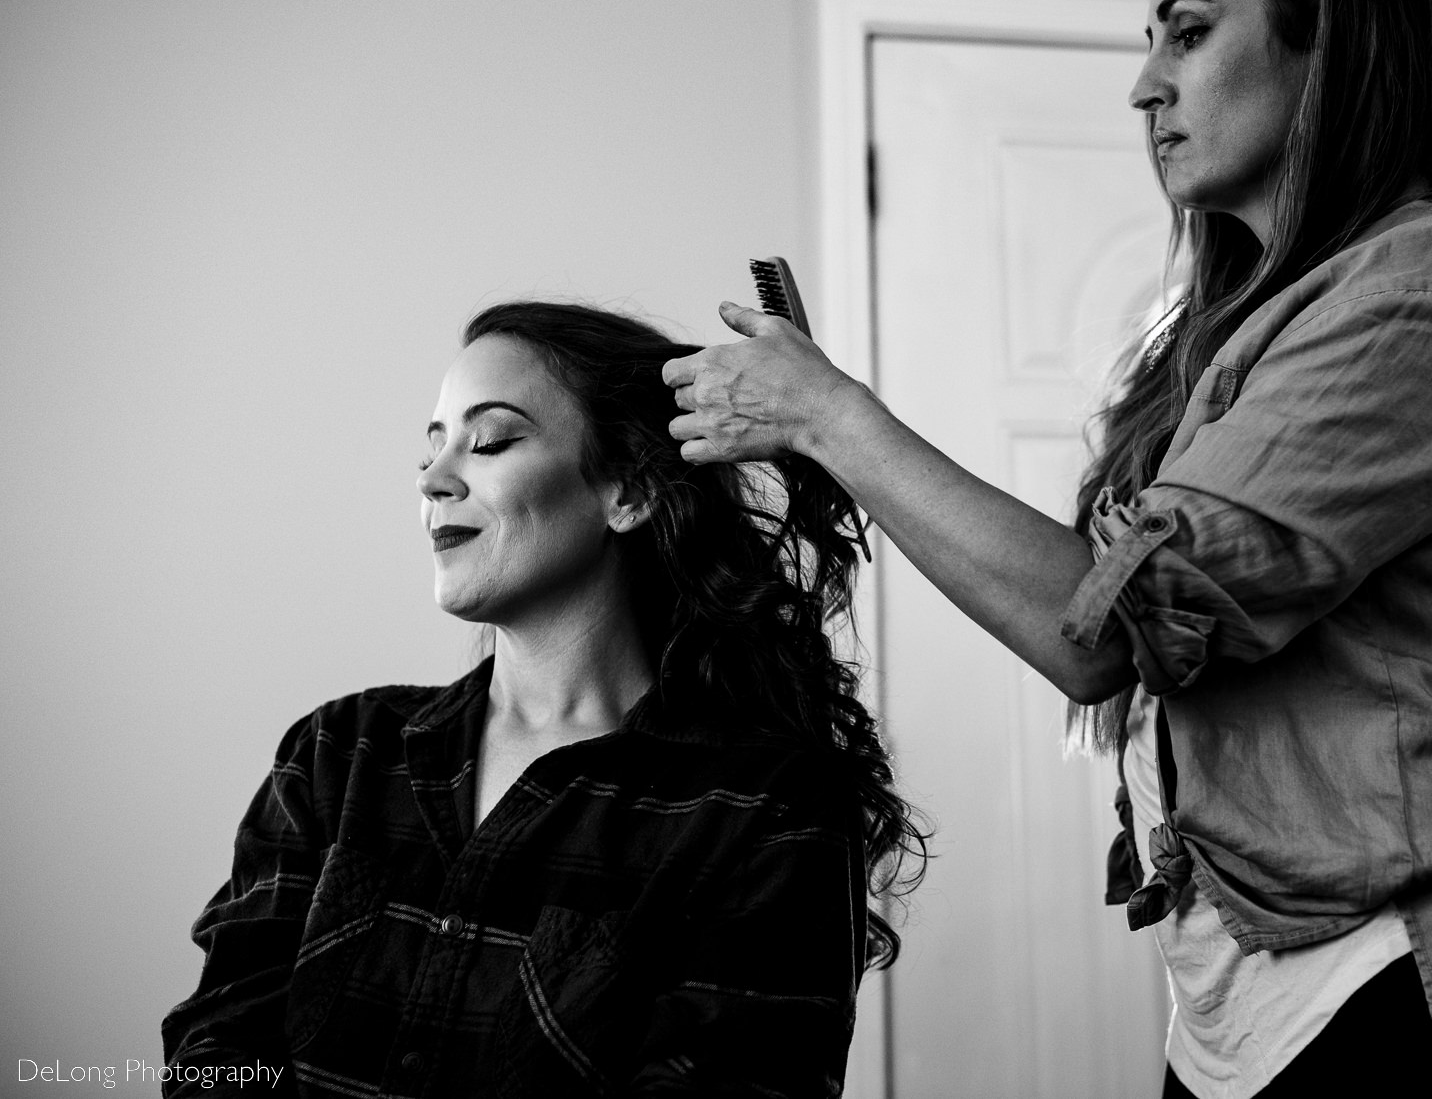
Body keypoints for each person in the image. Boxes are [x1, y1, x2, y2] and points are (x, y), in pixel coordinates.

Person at [662, 0, 1432, 1095]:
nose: (1144, 87)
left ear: (1331, 44)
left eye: (1186, 33)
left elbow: (1109, 630)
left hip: (1405, 991)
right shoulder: (1264, 329)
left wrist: (832, 414)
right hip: (1243, 1003)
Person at [163, 301, 925, 1098]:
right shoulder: (336, 755)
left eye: (489, 441)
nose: (433, 479)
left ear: (628, 491)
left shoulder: (767, 808)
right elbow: (218, 1048)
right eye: (432, 448)